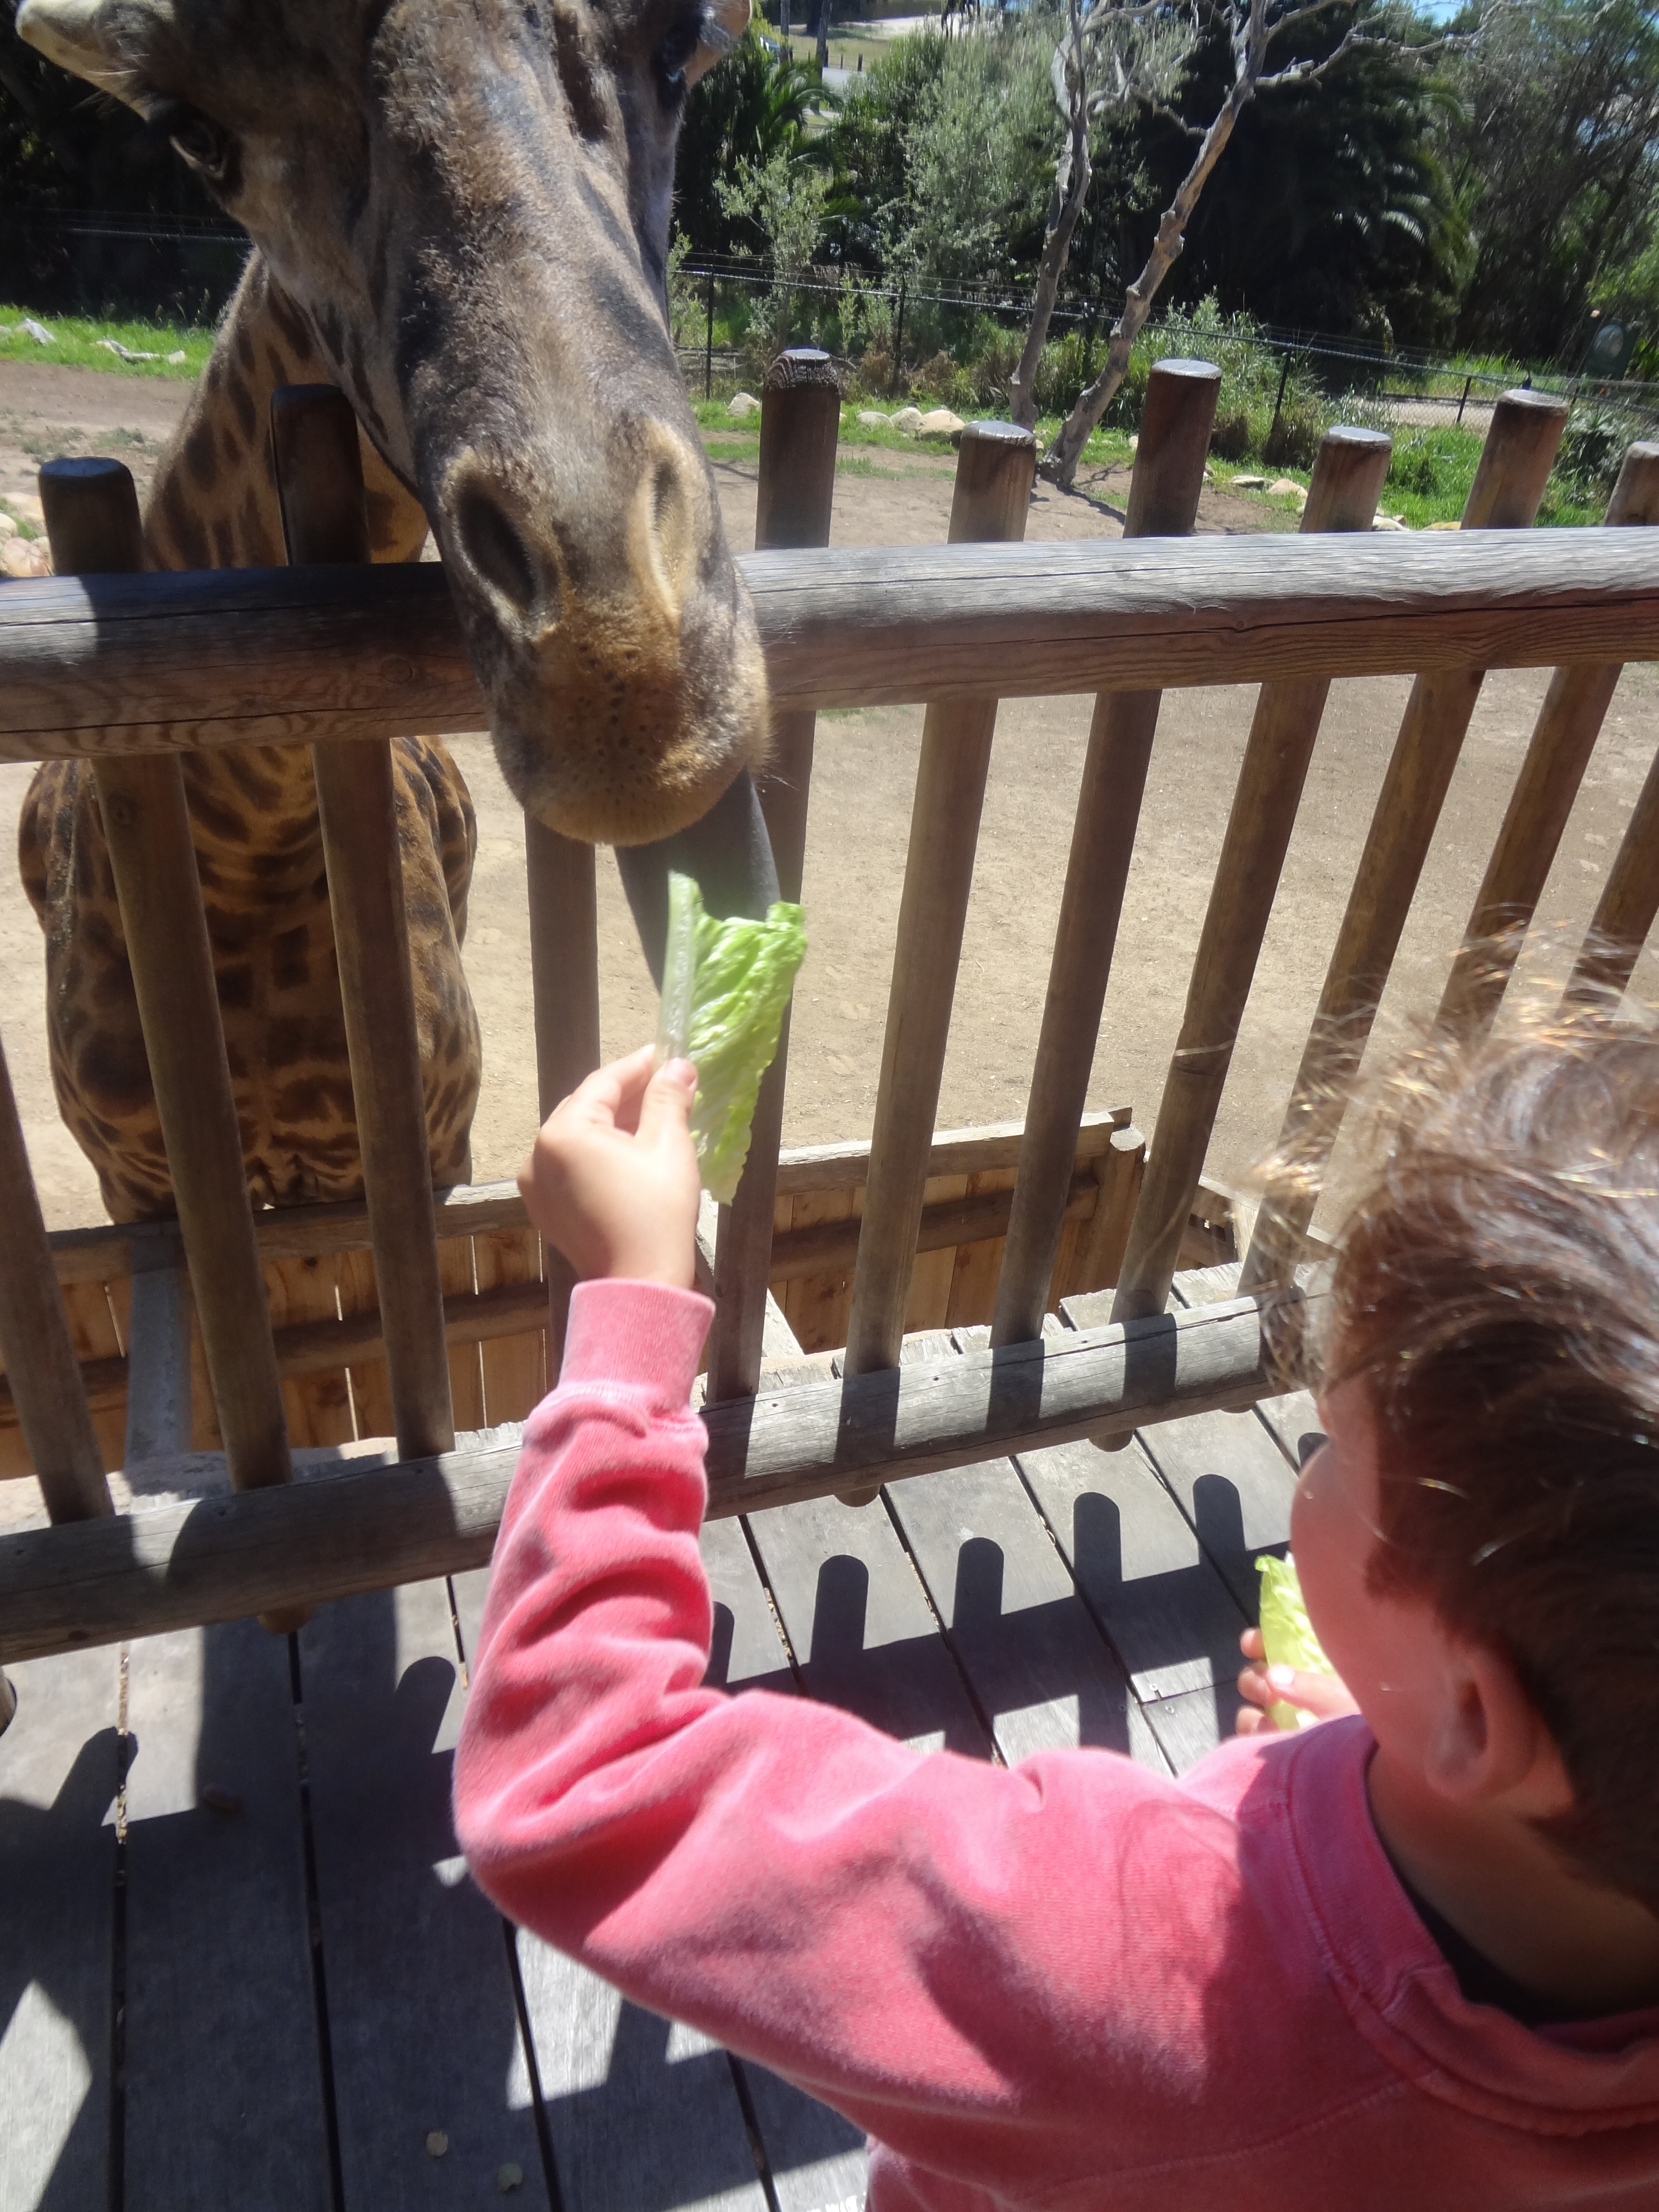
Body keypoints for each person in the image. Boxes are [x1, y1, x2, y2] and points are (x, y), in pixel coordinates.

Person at [454, 1022, 1659, 2208]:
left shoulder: (1128, 1955)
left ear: (1474, 1716)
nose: (1312, 1452)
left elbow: (583, 1773)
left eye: (1336, 1446)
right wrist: (1394, 1729)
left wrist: (633, 1311)